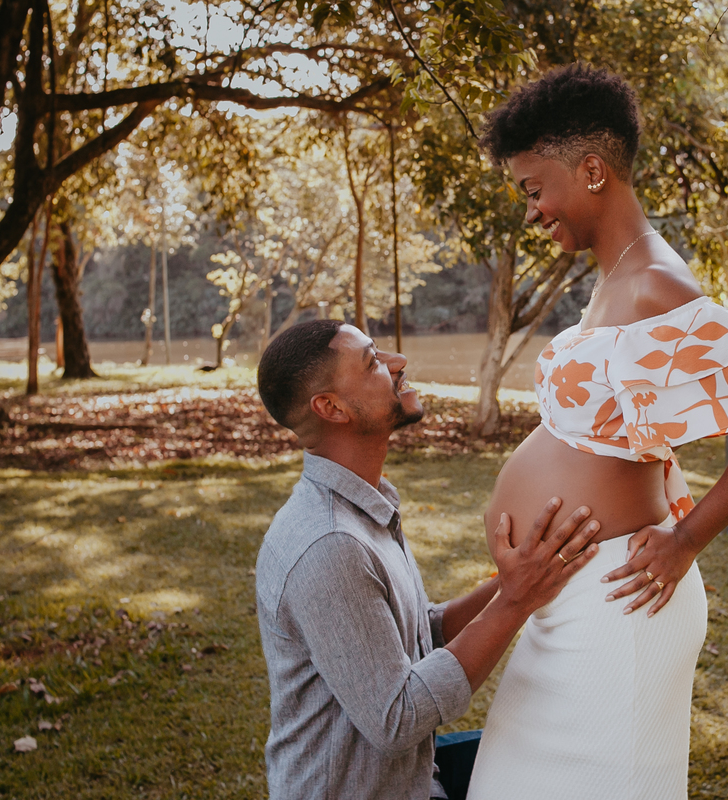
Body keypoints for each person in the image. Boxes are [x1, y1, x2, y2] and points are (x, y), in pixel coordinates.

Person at [464, 65, 728, 800]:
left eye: (534, 188)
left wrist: (685, 540)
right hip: (577, 594)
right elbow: (646, 440)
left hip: (620, 603)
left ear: (592, 171)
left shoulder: (656, 281)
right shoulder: (612, 280)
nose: (532, 211)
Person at [253, 319, 601, 800]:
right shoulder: (329, 545)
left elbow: (421, 637)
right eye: (372, 361)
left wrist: (517, 578)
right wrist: (515, 602)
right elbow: (397, 718)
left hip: (418, 779)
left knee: (569, 755)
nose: (398, 363)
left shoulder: (364, 507)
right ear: (330, 408)